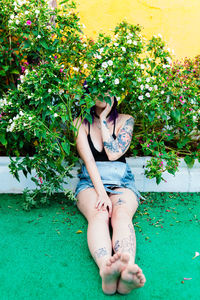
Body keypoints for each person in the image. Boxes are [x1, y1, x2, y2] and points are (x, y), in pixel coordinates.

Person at [73, 88, 146, 295]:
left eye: (108, 89)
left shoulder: (126, 120)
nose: (103, 93)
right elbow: (89, 162)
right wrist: (102, 195)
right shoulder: (80, 123)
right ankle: (107, 267)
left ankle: (126, 271)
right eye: (97, 88)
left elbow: (114, 154)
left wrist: (104, 119)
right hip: (91, 182)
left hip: (122, 181)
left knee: (122, 216)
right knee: (99, 215)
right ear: (88, 93)